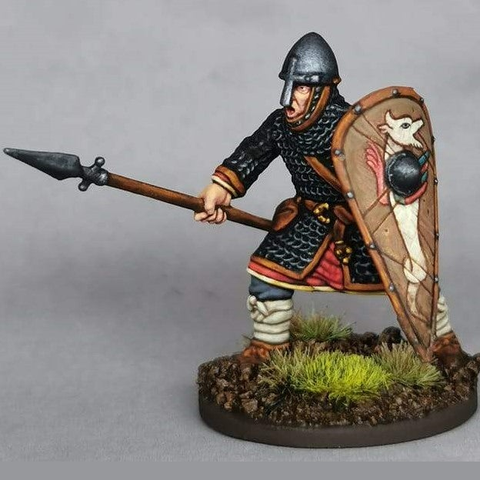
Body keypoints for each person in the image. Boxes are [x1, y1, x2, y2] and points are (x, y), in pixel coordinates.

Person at [194, 32, 467, 367]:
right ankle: (268, 346)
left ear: (322, 90)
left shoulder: (356, 128)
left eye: (300, 87)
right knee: (267, 271)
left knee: (410, 276)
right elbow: (253, 152)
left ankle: (441, 340)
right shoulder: (280, 125)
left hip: (362, 227)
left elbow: (396, 177)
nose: (289, 98)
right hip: (308, 222)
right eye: (289, 85)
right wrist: (221, 187)